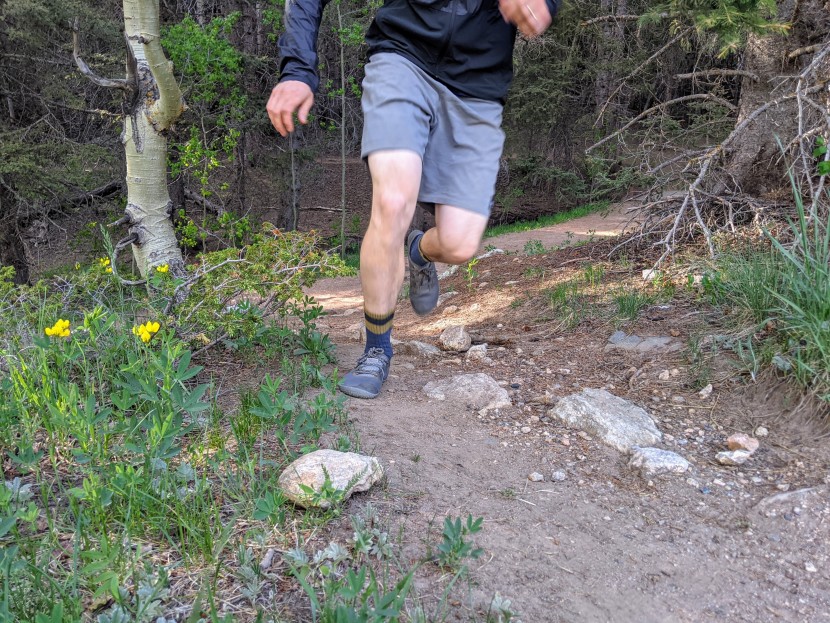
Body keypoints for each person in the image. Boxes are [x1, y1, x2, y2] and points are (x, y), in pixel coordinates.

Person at [267, 0, 557, 399]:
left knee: (458, 244)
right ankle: (376, 349)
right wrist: (298, 70)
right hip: (402, 58)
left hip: (478, 85)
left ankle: (421, 249)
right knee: (392, 201)